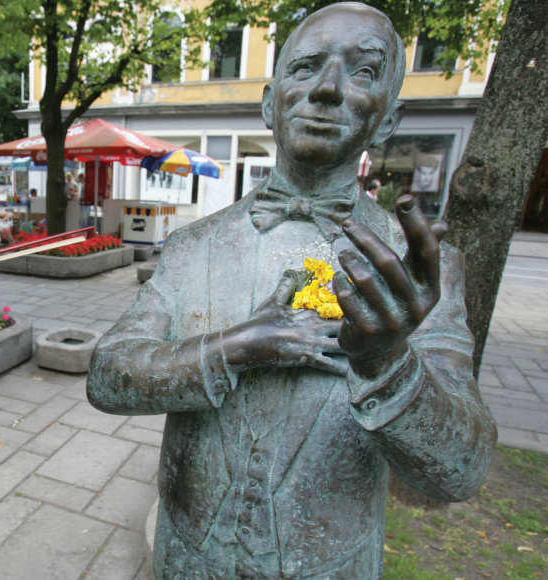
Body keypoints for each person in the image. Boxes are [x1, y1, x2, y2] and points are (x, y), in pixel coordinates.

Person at [86, 4, 497, 578]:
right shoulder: (191, 246)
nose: (327, 89)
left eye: (361, 72)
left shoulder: (422, 270)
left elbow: (460, 469)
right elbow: (107, 376)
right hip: (186, 560)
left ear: (386, 120)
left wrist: (389, 366)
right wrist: (230, 348)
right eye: (305, 67)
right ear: (268, 103)